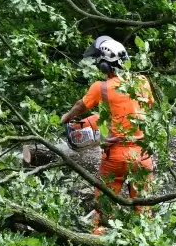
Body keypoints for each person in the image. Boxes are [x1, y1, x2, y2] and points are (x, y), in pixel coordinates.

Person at [60, 36, 154, 234]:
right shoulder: (142, 81)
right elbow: (143, 108)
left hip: (116, 156)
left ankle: (98, 244)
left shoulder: (100, 87)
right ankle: (144, 245)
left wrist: (66, 117)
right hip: (143, 154)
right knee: (144, 209)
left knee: (104, 210)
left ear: (104, 65)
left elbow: (80, 106)